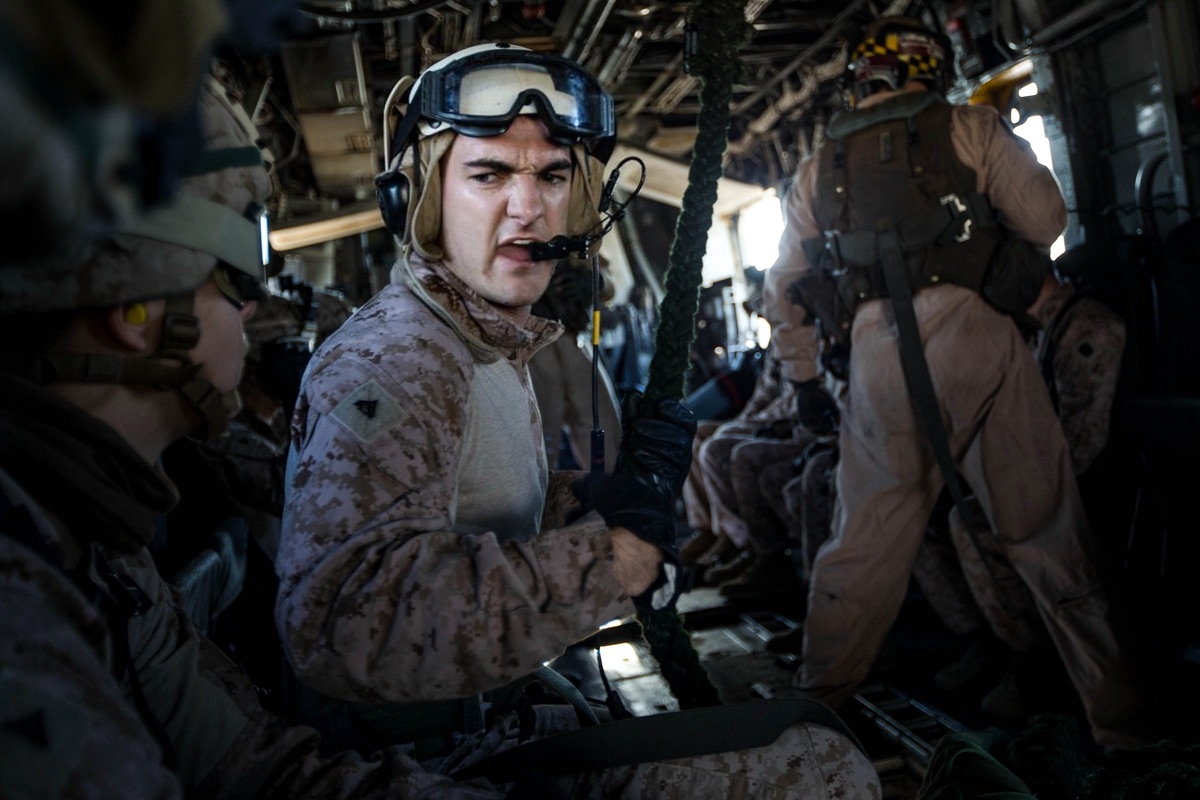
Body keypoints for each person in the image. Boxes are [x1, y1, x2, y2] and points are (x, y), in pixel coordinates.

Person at [276, 42, 880, 797]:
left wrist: (596, 502)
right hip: (420, 764)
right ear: (419, 197)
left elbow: (471, 518)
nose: (527, 207)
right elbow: (337, 625)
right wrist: (609, 560)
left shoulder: (475, 340)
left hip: (491, 718)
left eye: (553, 176)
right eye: (489, 174)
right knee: (829, 772)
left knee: (807, 736)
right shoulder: (396, 361)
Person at [1, 74, 495, 799]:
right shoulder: (26, 599)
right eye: (235, 277)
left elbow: (251, 770)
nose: (253, 308)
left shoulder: (98, 545)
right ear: (137, 310)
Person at [763, 16, 1145, 749]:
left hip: (876, 358)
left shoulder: (819, 166)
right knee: (1046, 532)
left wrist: (802, 374)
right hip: (976, 338)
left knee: (863, 543)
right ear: (930, 67)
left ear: (861, 74)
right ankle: (1125, 725)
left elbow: (786, 283)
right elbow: (1044, 218)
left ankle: (813, 709)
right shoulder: (971, 126)